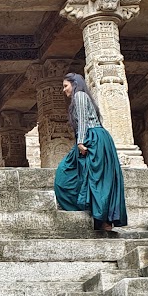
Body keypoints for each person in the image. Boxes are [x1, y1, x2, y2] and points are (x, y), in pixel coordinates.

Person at [54, 72, 127, 232]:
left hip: (91, 138)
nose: (64, 90)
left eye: (65, 86)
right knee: (98, 178)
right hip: (97, 138)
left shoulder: (79, 95)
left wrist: (80, 141)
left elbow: (83, 120)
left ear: (74, 84)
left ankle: (103, 219)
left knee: (77, 175)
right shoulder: (83, 97)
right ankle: (102, 219)